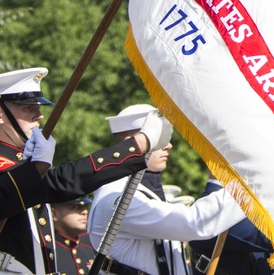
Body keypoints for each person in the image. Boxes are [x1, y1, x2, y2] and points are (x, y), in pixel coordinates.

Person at [0, 67, 170, 275]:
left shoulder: (20, 163)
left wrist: (136, 147)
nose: (39, 115)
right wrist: (138, 144)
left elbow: (66, 181)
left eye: (37, 107)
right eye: (27, 109)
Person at [88, 104, 246, 275]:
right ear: (133, 144)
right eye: (160, 138)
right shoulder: (117, 197)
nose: (168, 145)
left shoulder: (139, 191)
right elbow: (194, 223)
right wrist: (247, 185)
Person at [51, 197, 96, 275]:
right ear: (54, 213)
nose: (85, 212)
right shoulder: (46, 251)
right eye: (74, 207)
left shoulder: (89, 251)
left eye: (85, 207)